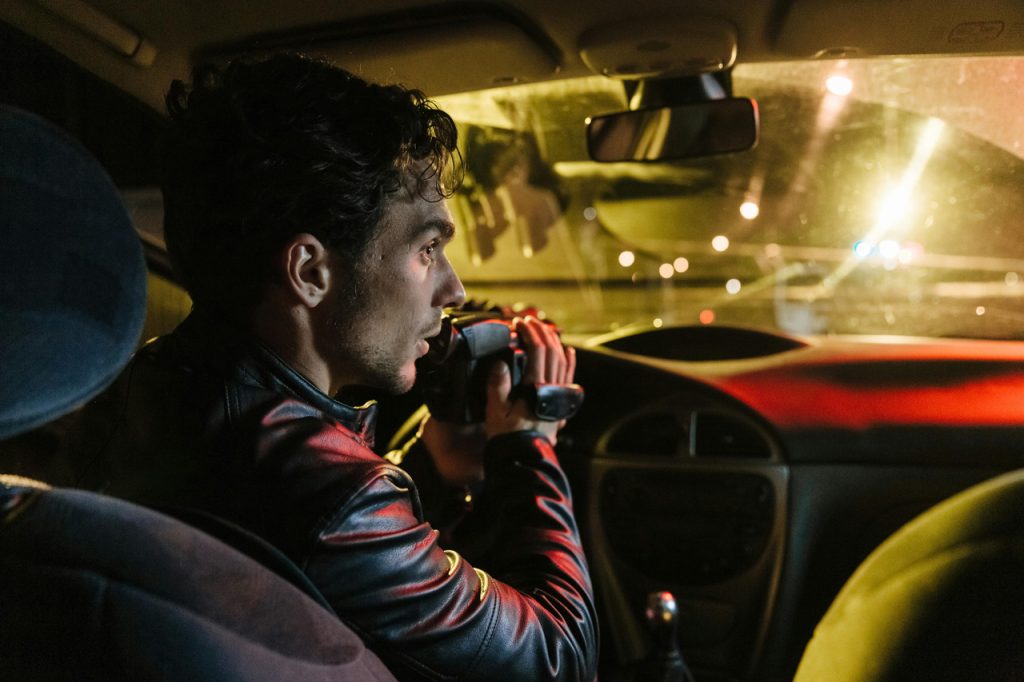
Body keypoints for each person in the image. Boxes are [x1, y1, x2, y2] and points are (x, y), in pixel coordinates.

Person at [70, 54, 598, 680]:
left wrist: (434, 465)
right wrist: (529, 449)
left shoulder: (142, 389)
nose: (453, 290)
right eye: (427, 249)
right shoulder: (334, 495)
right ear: (310, 272)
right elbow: (560, 656)